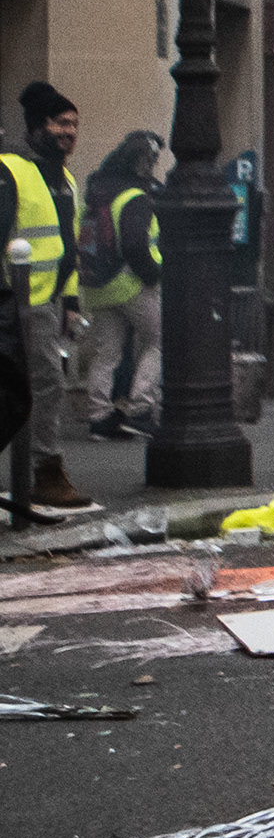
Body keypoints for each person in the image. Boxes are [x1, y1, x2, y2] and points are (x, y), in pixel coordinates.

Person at [4, 81, 87, 520]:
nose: (68, 132)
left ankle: (42, 472)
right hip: (18, 301)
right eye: (59, 123)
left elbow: (67, 245)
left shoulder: (66, 179)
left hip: (47, 302)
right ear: (38, 126)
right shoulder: (11, 171)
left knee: (38, 384)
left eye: (73, 124)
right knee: (47, 383)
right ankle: (45, 472)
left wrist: (70, 301)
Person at [75, 131, 165, 440]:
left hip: (96, 286)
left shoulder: (97, 192)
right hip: (130, 284)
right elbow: (136, 246)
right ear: (141, 162)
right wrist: (153, 275)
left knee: (107, 353)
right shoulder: (134, 197)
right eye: (152, 159)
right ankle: (140, 410)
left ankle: (100, 417)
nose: (153, 165)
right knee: (159, 339)